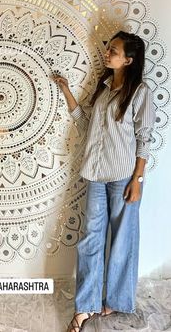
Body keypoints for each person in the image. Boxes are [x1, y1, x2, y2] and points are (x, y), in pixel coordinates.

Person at [53, 31, 156, 332]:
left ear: (129, 59)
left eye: (114, 49)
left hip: (124, 174)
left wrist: (138, 179)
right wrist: (67, 91)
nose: (107, 52)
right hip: (95, 174)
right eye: (109, 48)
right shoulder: (104, 87)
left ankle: (116, 300)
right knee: (90, 239)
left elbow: (144, 139)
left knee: (123, 239)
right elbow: (86, 123)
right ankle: (85, 306)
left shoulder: (140, 93)